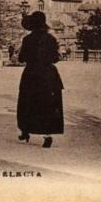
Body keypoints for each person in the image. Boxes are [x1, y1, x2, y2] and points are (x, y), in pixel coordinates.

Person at [16, 11, 64, 148]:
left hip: (31, 74)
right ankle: (47, 135)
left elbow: (21, 58)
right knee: (47, 105)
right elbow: (55, 58)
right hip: (49, 75)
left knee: (27, 103)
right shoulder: (51, 39)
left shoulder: (27, 39)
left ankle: (25, 130)